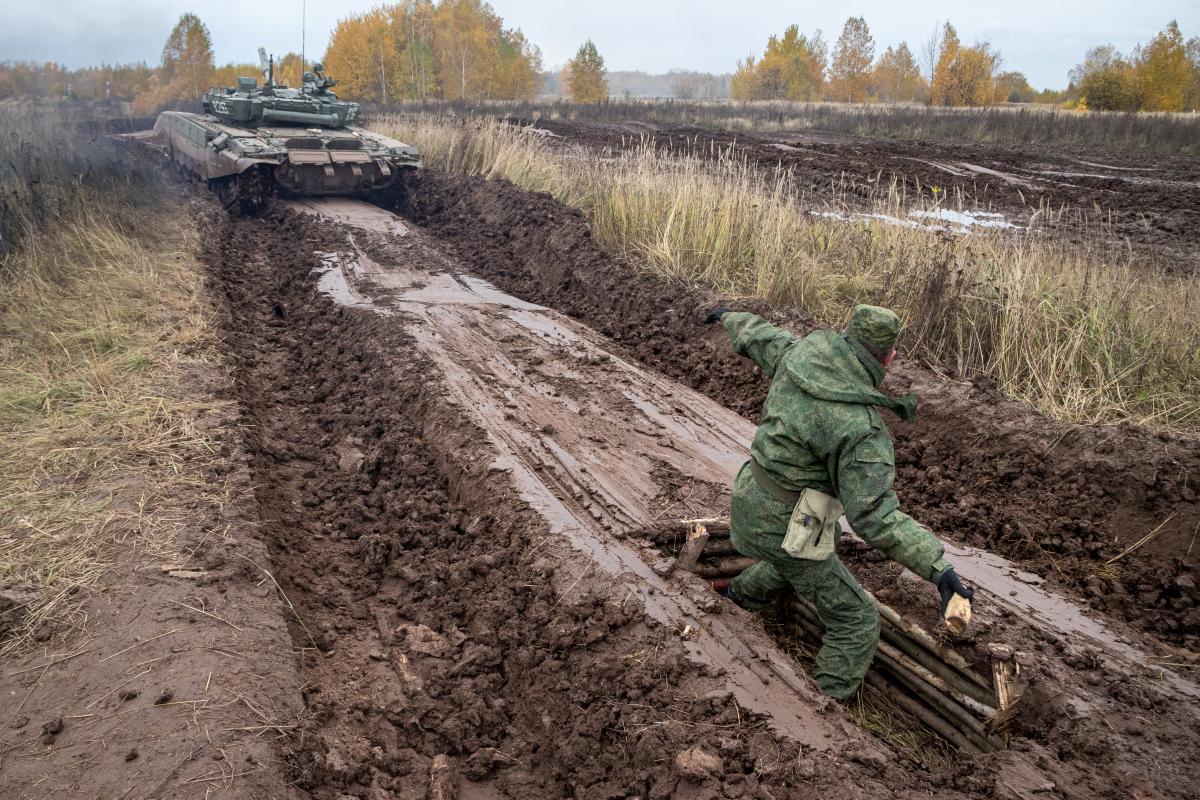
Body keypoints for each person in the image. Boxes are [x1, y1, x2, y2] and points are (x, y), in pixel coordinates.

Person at [704, 304, 974, 701]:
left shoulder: (802, 356)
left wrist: (729, 315)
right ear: (890, 357)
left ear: (848, 336)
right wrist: (941, 570)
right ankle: (822, 711)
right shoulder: (862, 431)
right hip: (784, 525)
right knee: (857, 620)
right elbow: (874, 517)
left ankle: (734, 600)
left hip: (749, 499)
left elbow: (760, 337)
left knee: (800, 561)